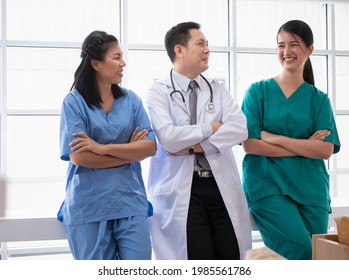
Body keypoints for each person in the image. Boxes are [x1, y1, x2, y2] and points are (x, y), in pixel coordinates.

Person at [145, 21, 252, 260]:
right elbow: (169, 138)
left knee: (231, 254)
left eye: (207, 44)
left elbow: (240, 128)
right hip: (184, 190)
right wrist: (212, 127)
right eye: (201, 44)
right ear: (179, 50)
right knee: (197, 258)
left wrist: (195, 146)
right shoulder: (158, 91)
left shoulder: (217, 89)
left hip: (219, 185)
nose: (207, 50)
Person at [241, 20, 341, 260]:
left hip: (312, 189)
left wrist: (274, 138)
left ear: (309, 50)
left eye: (294, 44)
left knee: (320, 255)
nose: (286, 51)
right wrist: (306, 146)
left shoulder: (319, 100)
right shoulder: (258, 92)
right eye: (281, 45)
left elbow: (325, 149)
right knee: (303, 251)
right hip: (268, 185)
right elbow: (251, 144)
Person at [58, 30, 156, 260]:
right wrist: (130, 153)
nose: (123, 63)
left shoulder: (131, 100)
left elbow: (149, 147)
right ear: (95, 64)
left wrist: (102, 148)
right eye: (116, 57)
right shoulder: (74, 102)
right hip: (89, 206)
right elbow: (80, 158)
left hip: (129, 201)